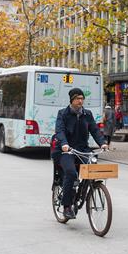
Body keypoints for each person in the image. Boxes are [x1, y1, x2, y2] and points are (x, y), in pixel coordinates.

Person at [51, 88, 108, 220]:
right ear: (72, 100)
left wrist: (102, 143)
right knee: (71, 173)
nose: (80, 101)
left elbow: (94, 130)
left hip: (83, 150)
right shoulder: (63, 114)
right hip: (66, 151)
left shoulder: (87, 114)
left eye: (82, 99)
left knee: (93, 167)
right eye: (78, 99)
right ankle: (66, 206)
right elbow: (59, 131)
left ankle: (84, 190)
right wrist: (64, 144)